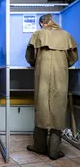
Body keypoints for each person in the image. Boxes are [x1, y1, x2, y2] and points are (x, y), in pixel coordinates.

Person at [25, 14, 78, 160]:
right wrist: (62, 65)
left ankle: (39, 147)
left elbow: (30, 57)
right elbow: (73, 58)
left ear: (42, 24)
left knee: (41, 110)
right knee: (58, 111)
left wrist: (36, 64)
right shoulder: (66, 35)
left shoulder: (37, 35)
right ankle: (54, 151)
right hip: (60, 77)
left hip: (42, 76)